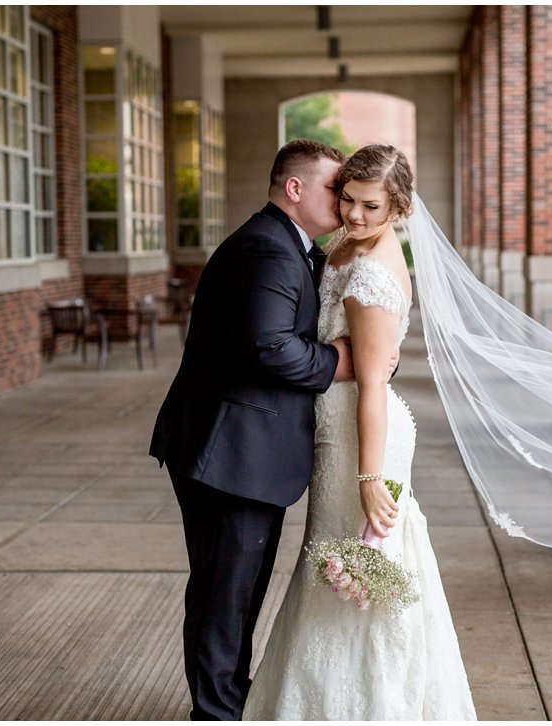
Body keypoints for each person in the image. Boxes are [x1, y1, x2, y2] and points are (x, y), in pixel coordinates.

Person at [242, 145, 477, 720]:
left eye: (371, 205)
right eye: (346, 199)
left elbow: (372, 383)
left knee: (359, 570)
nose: (354, 214)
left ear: (398, 207)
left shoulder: (373, 268)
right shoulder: (349, 245)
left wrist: (370, 478)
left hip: (361, 437)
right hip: (335, 428)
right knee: (330, 563)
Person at [149, 139, 356, 721]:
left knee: (239, 593)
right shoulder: (264, 249)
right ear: (295, 189)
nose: (342, 201)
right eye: (332, 189)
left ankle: (227, 702)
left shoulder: (289, 247)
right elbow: (269, 348)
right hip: (227, 453)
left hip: (246, 453)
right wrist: (342, 361)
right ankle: (214, 713)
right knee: (224, 594)